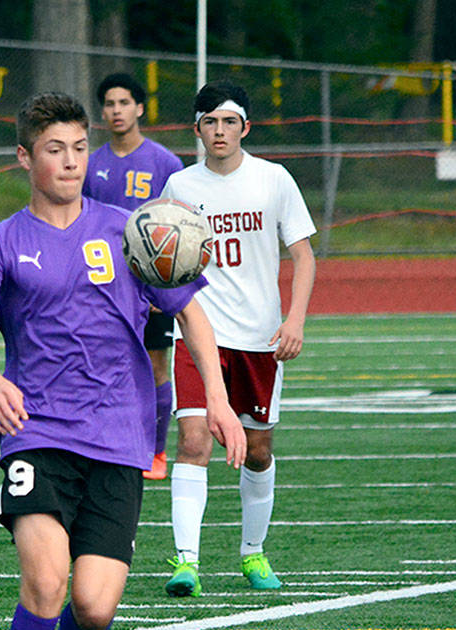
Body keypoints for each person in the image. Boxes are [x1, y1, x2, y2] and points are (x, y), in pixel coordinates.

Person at [0, 92, 245, 630]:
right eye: (55, 150)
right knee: (45, 582)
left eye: (79, 149)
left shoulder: (133, 230)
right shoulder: (1, 241)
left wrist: (220, 402)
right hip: (36, 436)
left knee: (94, 608)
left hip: (118, 439)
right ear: (26, 157)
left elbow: (194, 317)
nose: (71, 161)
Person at [160, 81, 316, 597]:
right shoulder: (180, 187)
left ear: (245, 127)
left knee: (256, 450)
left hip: (259, 337)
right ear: (197, 129)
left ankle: (252, 553)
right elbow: (158, 253)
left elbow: (304, 256)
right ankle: (186, 563)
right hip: (198, 336)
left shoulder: (274, 180)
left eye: (229, 121)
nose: (219, 131)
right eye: (210, 122)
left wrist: (293, 321)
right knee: (194, 441)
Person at [82, 73, 185, 481]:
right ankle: (100, 446)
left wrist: (166, 284)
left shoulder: (165, 163)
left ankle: (155, 451)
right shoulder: (93, 164)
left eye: (124, 102)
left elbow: (179, 227)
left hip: (152, 282)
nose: (116, 111)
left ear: (139, 108)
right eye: (109, 104)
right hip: (105, 283)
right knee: (102, 364)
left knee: (157, 365)